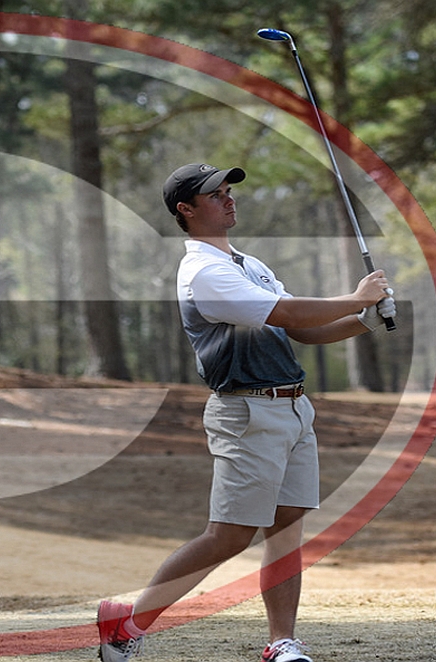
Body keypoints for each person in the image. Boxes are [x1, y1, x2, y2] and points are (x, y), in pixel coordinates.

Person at [98, 163, 396, 662]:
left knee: (286, 529)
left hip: (294, 409)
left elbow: (300, 332)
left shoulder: (249, 264)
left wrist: (364, 318)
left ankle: (283, 642)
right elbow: (288, 313)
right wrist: (356, 296)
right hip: (247, 413)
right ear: (186, 210)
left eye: (229, 190)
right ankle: (128, 625)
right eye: (215, 195)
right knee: (229, 535)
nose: (229, 198)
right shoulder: (203, 273)